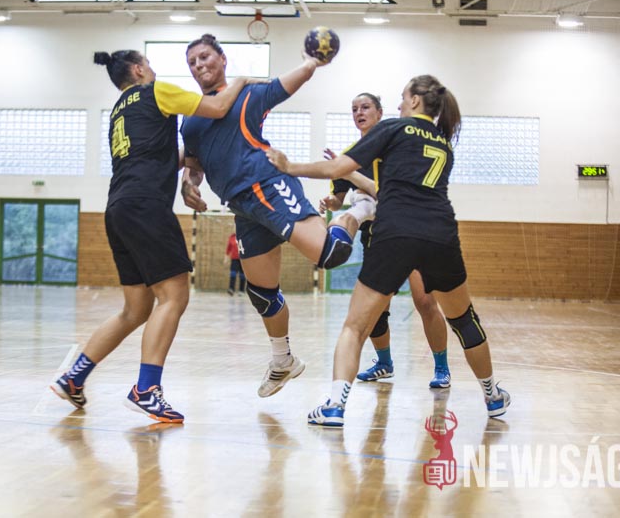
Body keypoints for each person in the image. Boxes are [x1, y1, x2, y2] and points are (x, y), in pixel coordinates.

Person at [266, 74, 510, 425]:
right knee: (464, 320)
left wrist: (290, 166)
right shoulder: (444, 142)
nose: (398, 104)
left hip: (395, 232)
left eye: (402, 97)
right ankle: (492, 396)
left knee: (355, 326)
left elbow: (338, 167)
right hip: (441, 234)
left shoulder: (394, 128)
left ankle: (334, 406)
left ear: (415, 101)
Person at [51, 50, 254, 423]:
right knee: (174, 296)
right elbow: (219, 107)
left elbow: (156, 155)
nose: (155, 70)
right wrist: (243, 80)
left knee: (135, 310)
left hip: (118, 207)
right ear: (139, 69)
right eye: (151, 64)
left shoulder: (118, 111)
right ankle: (146, 390)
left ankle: (74, 377)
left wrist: (189, 166)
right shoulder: (156, 91)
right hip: (146, 205)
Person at [179, 34, 370, 399]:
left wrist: (312, 62)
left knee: (331, 253)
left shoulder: (246, 95)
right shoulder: (191, 119)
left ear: (222, 59)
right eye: (192, 62)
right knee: (262, 293)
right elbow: (194, 164)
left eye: (204, 57)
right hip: (240, 204)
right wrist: (188, 184)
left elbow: (285, 84)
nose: (199, 65)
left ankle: (361, 208)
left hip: (266, 184)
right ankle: (283, 361)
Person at [321, 92, 451, 389]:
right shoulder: (348, 155)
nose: (359, 113)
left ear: (380, 113)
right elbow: (338, 197)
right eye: (354, 109)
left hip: (411, 231)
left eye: (365, 107)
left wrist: (351, 174)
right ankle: (384, 363)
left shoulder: (397, 147)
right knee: (375, 309)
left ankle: (442, 367)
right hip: (377, 238)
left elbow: (387, 191)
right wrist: (330, 202)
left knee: (425, 301)